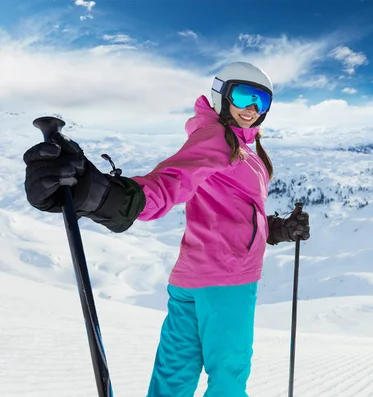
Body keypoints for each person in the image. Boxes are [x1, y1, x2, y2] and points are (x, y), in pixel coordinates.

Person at [22, 61, 310, 396]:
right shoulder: (219, 139)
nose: (251, 108)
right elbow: (170, 183)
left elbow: (232, 212)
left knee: (173, 375)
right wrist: (102, 196)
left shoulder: (240, 146)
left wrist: (279, 229)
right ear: (221, 95)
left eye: (261, 101)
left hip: (190, 280)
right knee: (228, 379)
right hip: (228, 282)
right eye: (244, 95)